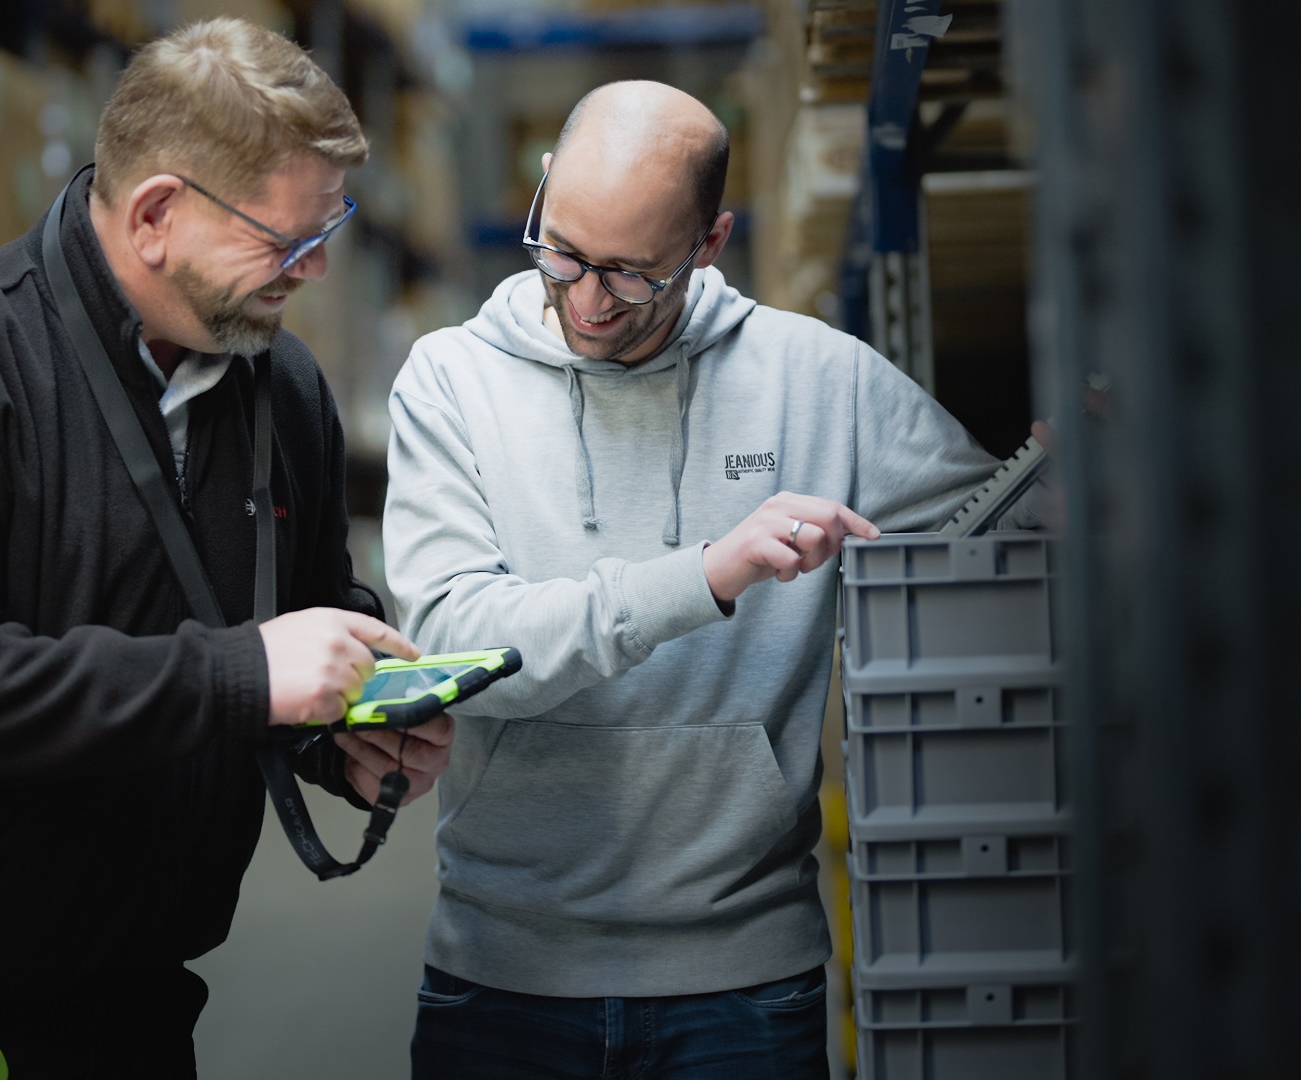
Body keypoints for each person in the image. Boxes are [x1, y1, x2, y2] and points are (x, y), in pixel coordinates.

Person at [0, 18, 452, 1077]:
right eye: (287, 239)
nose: (316, 267)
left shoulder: (278, 389)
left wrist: (347, 736)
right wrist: (240, 675)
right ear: (159, 214)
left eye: (327, 225)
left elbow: (292, 622)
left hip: (133, 1001)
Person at [383, 81, 1041, 1077]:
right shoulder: (451, 381)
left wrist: (1065, 474)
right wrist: (704, 575)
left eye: (633, 272)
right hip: (501, 974)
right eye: (563, 249)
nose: (590, 300)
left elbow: (990, 543)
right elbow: (452, 645)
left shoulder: (819, 381)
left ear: (709, 240)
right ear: (546, 188)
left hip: (745, 984)